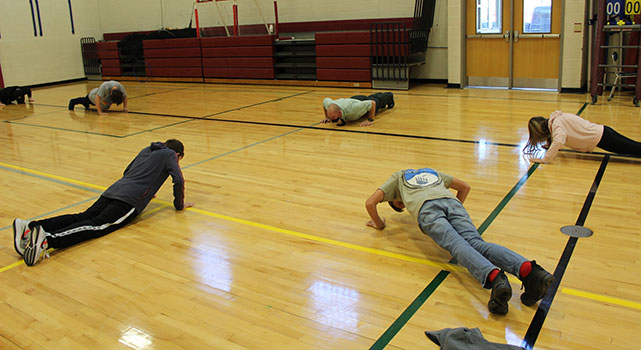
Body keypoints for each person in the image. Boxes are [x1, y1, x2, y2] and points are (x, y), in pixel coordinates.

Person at [365, 167, 554, 315]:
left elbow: (370, 203)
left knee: (457, 245)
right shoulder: (430, 172)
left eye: (400, 205)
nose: (403, 205)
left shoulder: (398, 178)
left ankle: (495, 278)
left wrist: (379, 224)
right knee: (476, 242)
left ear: (397, 201)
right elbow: (465, 187)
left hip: (427, 211)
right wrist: (453, 211)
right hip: (452, 203)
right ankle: (530, 272)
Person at [12, 139, 193, 266]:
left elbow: (128, 170)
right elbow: (178, 180)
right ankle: (47, 240)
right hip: (129, 200)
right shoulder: (170, 155)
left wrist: (145, 190)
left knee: (84, 216)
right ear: (178, 154)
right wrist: (179, 205)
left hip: (114, 190)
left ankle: (30, 227)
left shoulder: (147, 149)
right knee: (98, 225)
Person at [524, 110, 641, 163]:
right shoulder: (556, 120)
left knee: (634, 149)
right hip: (604, 132)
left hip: (602, 138)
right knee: (633, 147)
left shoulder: (557, 124)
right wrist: (549, 146)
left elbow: (559, 140)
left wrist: (545, 159)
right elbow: (557, 137)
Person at [321, 92, 394, 127]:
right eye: (330, 116)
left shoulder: (352, 109)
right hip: (352, 100)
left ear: (339, 113)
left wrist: (370, 119)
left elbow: (372, 103)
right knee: (369, 98)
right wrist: (327, 117)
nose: (331, 119)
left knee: (378, 101)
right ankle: (378, 94)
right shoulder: (329, 104)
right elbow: (325, 100)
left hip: (357, 102)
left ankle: (389, 96)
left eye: (333, 117)